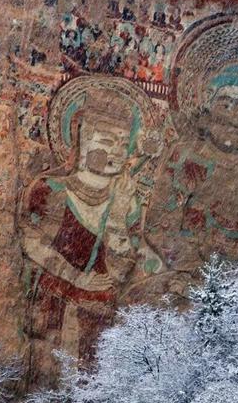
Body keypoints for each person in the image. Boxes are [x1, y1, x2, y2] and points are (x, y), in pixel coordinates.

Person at [21, 80, 163, 377]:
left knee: (93, 376)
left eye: (123, 144)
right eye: (106, 141)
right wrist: (76, 277)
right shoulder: (52, 189)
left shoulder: (127, 200)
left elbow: (123, 266)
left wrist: (118, 216)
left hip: (100, 308)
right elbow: (31, 242)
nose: (117, 151)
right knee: (50, 375)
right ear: (82, 139)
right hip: (55, 301)